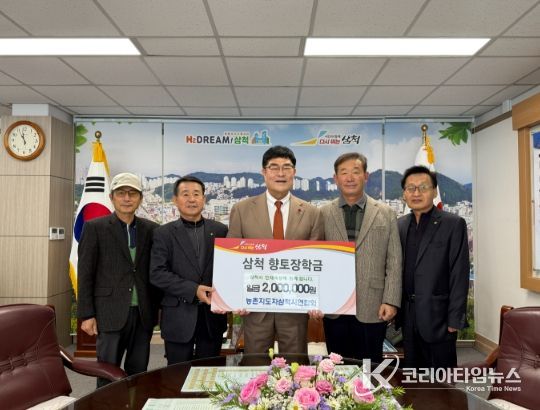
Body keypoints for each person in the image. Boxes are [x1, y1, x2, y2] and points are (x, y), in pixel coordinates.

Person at [227, 145, 324, 354]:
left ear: (294, 172)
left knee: (296, 365)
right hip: (255, 308)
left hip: (295, 309)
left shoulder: (312, 213)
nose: (281, 173)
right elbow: (232, 260)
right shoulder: (242, 210)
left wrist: (317, 299)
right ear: (264, 172)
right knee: (254, 364)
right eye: (274, 167)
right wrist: (235, 297)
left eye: (286, 167)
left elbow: (316, 262)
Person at [77, 173, 159, 387]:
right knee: (107, 373)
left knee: (138, 372)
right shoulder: (95, 227)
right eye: (121, 193)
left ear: (140, 198)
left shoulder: (151, 229)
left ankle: (134, 402)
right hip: (109, 313)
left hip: (142, 314)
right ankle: (106, 403)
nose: (127, 198)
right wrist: (87, 314)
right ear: (112, 197)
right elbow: (85, 273)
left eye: (132, 193)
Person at [321, 152, 402, 363]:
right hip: (334, 305)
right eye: (344, 173)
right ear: (335, 178)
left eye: (355, 172)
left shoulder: (386, 213)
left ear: (366, 176)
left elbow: (394, 261)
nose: (350, 178)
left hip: (372, 304)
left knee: (369, 366)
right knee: (337, 367)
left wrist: (391, 300)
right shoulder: (323, 213)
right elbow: (316, 259)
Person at [150, 176, 228, 365]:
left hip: (211, 318)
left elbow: (229, 270)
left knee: (209, 372)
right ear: (175, 200)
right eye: (185, 194)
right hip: (178, 316)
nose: (191, 199)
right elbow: (157, 273)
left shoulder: (221, 230)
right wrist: (193, 290)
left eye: (196, 194)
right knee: (176, 374)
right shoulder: (163, 233)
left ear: (204, 199)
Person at [398, 165, 469, 369]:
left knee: (441, 379)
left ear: (435, 191)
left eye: (423, 187)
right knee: (412, 376)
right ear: (404, 194)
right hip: (408, 316)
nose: (416, 193)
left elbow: (459, 273)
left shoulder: (453, 224)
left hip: (439, 318)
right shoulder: (400, 225)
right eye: (411, 188)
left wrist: (455, 318)